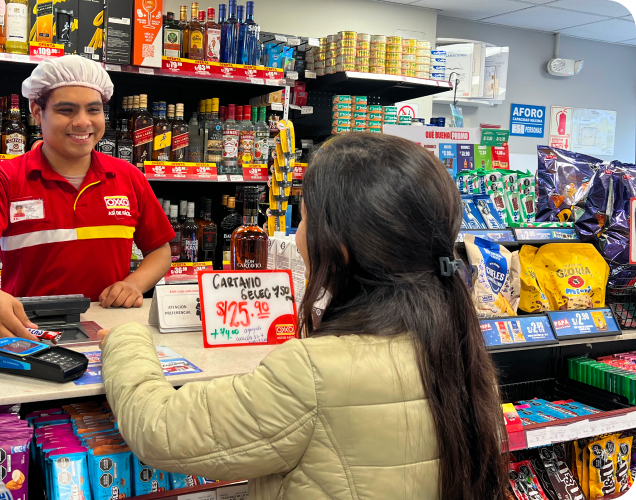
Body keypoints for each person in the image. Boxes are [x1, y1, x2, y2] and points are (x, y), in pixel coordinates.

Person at [98, 133, 508, 499]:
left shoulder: (313, 372)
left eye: (306, 218)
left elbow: (162, 429)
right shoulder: (460, 341)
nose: (297, 234)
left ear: (342, 245)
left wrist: (125, 338)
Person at [0, 57, 174, 342]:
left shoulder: (128, 177)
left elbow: (160, 251)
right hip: (28, 329)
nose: (83, 122)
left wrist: (134, 284)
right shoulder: (1, 178)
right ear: (37, 112)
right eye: (66, 110)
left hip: (108, 329)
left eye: (93, 110)